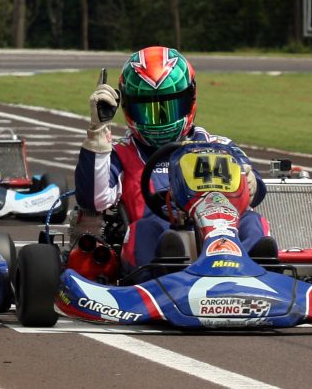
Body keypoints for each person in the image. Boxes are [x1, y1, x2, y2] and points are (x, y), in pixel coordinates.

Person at [74, 46, 274, 282]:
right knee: (146, 229)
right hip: (161, 246)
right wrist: (98, 133)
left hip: (223, 235)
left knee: (252, 222)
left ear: (189, 100)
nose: (159, 121)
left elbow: (257, 189)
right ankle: (164, 275)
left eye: (169, 108)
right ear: (129, 108)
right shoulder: (122, 153)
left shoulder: (218, 146)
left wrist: (250, 182)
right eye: (147, 109)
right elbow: (94, 199)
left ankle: (261, 273)